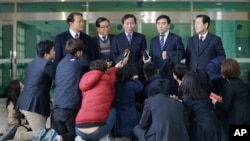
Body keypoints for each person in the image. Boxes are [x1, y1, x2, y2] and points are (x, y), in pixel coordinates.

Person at [75, 59, 127, 141]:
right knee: (112, 111)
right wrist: (116, 67)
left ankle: (81, 138)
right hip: (96, 132)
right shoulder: (107, 79)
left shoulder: (85, 79)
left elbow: (99, 75)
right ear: (105, 69)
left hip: (78, 129)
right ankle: (104, 137)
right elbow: (111, 75)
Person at [52, 39, 89, 141]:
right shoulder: (79, 63)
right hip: (70, 106)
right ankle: (57, 138)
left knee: (63, 135)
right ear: (78, 52)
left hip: (57, 107)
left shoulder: (60, 63)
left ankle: (57, 137)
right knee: (75, 135)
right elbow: (90, 67)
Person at [16, 40, 55, 133]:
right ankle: (14, 136)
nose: (55, 52)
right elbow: (60, 79)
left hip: (25, 101)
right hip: (34, 104)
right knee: (40, 134)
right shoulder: (47, 64)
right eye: (53, 50)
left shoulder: (32, 62)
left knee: (39, 132)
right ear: (46, 54)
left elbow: (36, 82)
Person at [185, 14, 226, 95]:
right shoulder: (191, 40)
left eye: (198, 23)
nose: (196, 26)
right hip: (193, 77)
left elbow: (221, 56)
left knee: (207, 99)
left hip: (208, 77)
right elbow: (188, 58)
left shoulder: (215, 40)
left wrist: (211, 65)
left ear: (206, 24)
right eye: (195, 23)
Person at [211, 58, 250, 139]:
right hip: (245, 118)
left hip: (236, 120)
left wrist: (216, 102)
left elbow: (226, 107)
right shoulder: (242, 83)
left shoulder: (229, 85)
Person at [181, 71, 226, 141]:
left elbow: (188, 116)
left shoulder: (187, 98)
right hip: (213, 120)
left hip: (202, 125)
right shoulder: (202, 91)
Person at [149, 15, 185, 95]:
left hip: (170, 73)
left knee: (171, 95)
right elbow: (152, 56)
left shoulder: (176, 38)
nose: (160, 26)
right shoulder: (153, 40)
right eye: (158, 24)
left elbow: (182, 54)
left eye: (163, 23)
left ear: (169, 25)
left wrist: (168, 53)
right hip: (157, 74)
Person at [111, 14, 147, 82]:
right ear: (123, 25)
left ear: (135, 24)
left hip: (137, 70)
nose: (129, 26)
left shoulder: (141, 37)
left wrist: (137, 65)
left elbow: (143, 53)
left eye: (132, 23)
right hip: (122, 70)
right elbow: (114, 54)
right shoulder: (116, 38)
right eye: (127, 24)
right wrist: (120, 63)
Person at [112, 64, 143, 140]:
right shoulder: (131, 85)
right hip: (130, 115)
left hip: (117, 116)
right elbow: (140, 87)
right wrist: (136, 79)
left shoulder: (115, 84)